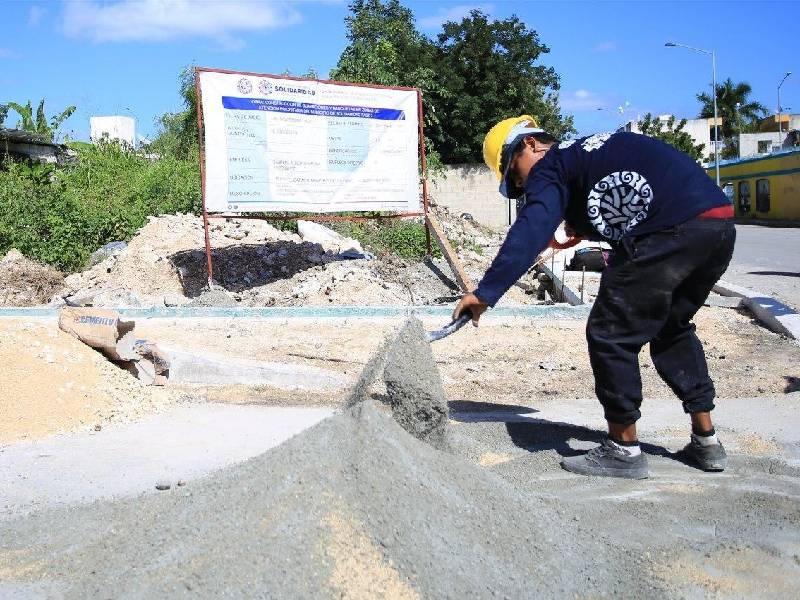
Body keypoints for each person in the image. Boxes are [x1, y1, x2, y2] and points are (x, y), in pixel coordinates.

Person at [453, 115, 736, 479]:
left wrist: (484, 293)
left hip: (669, 230)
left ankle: (623, 450)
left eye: (516, 175)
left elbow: (532, 227)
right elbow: (623, 193)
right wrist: (582, 227)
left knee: (609, 333)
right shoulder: (584, 153)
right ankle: (706, 441)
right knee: (671, 328)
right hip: (716, 226)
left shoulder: (551, 165)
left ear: (530, 145)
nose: (523, 185)